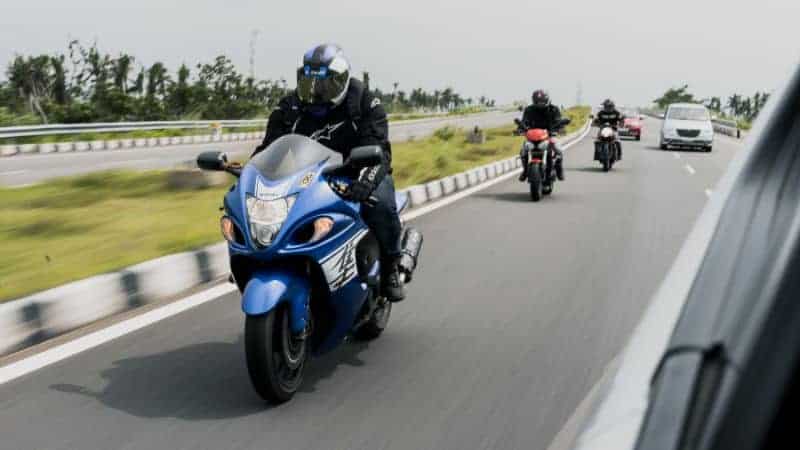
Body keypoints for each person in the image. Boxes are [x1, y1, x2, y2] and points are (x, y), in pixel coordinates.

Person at [253, 43, 405, 302]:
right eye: (310, 84)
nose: (316, 93)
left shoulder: (366, 104)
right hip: (308, 177)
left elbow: (378, 149)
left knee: (379, 205)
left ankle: (391, 267)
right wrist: (250, 173)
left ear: (342, 80)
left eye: (324, 86)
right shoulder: (289, 108)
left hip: (359, 172)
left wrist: (365, 182)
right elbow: (269, 148)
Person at [518, 90, 566, 181]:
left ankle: (559, 170)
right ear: (534, 101)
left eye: (542, 101)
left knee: (558, 149)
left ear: (547, 100)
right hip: (532, 137)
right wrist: (520, 129)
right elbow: (524, 121)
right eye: (538, 102)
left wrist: (560, 127)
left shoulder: (553, 109)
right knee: (523, 151)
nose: (540, 104)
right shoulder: (529, 110)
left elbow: (558, 121)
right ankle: (525, 170)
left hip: (549, 135)